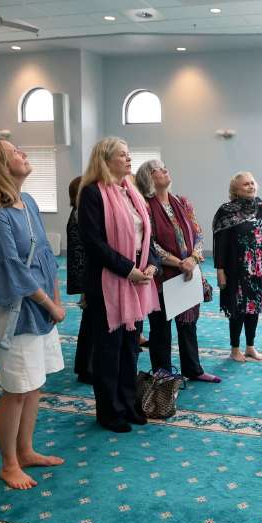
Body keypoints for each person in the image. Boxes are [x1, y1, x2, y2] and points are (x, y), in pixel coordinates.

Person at [0, 138, 67, 489]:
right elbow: (11, 269)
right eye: (14, 152)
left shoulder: (29, 202)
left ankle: (26, 451)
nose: (23, 153)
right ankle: (9, 463)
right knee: (17, 390)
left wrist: (56, 300)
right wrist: (50, 304)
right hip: (18, 313)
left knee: (34, 385)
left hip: (42, 309)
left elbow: (46, 258)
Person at [77, 137, 160, 432]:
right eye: (122, 155)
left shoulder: (131, 191)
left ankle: (128, 404)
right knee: (109, 351)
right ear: (105, 160)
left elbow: (147, 234)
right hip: (108, 281)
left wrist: (151, 263)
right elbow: (93, 242)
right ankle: (109, 411)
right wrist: (127, 270)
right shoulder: (92, 193)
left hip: (137, 279)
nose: (129, 159)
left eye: (129, 154)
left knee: (130, 348)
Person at [135, 160, 221, 382]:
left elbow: (198, 233)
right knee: (160, 327)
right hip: (162, 276)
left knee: (188, 324)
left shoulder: (182, 202)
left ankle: (193, 369)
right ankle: (163, 374)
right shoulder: (145, 206)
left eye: (164, 167)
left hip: (188, 272)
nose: (165, 170)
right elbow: (149, 243)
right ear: (148, 178)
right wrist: (178, 262)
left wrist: (192, 259)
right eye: (158, 169)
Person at [212, 172, 262, 363]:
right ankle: (235, 349)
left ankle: (250, 347)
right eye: (246, 184)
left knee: (254, 308)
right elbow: (220, 244)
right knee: (238, 308)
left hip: (259, 268)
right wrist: (220, 270)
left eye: (252, 183)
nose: (251, 186)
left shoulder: (261, 206)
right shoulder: (226, 211)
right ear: (235, 190)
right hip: (236, 269)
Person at [65, 176, 93, 384]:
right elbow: (79, 255)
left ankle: (85, 367)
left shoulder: (79, 213)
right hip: (88, 278)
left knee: (89, 324)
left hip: (86, 277)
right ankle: (87, 369)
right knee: (91, 325)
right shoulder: (79, 215)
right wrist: (85, 287)